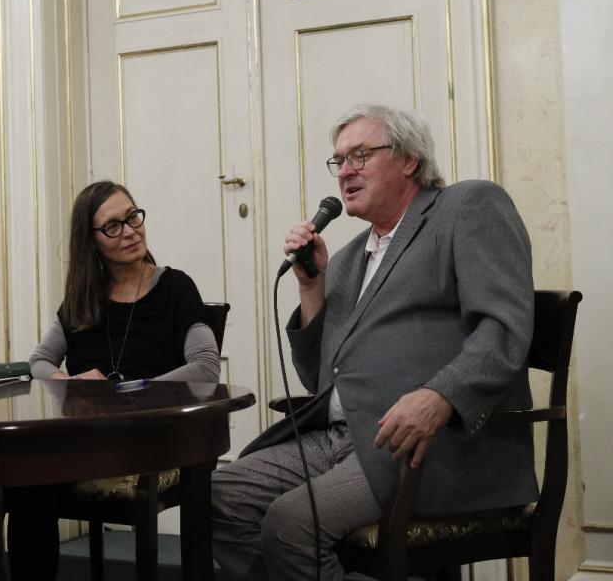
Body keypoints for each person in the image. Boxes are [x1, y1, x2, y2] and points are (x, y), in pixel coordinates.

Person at [211, 105, 538, 580]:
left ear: (409, 158)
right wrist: (311, 288)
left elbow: (505, 327)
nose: (345, 171)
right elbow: (319, 378)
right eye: (339, 160)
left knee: (289, 524)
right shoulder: (347, 259)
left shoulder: (467, 207)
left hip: (419, 445)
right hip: (336, 439)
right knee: (219, 498)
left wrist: (441, 395)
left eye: (360, 155)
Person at [0, 180, 221, 580]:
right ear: (91, 241)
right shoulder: (84, 299)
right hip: (87, 438)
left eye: (132, 217)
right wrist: (71, 383)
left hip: (151, 436)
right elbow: (39, 362)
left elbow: (205, 366)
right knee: (21, 468)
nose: (130, 231)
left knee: (24, 470)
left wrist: (121, 394)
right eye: (113, 226)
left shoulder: (176, 287)